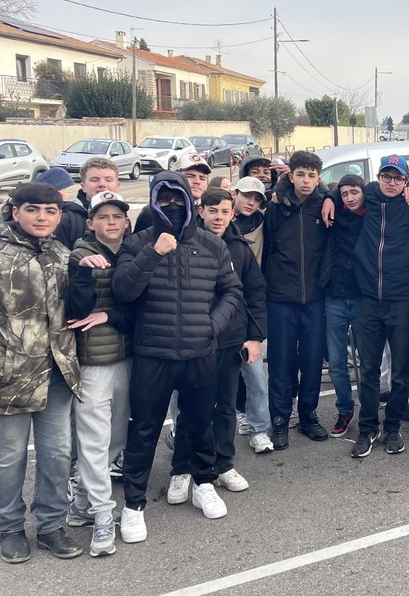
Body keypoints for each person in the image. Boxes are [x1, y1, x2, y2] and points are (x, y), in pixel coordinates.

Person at [0, 182, 84, 563]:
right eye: (34, 209)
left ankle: (52, 525)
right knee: (9, 458)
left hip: (56, 377)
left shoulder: (61, 255)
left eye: (51, 211)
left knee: (57, 454)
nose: (43, 217)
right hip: (7, 380)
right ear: (15, 211)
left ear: (59, 216)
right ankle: (9, 528)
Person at [112, 171, 243, 541]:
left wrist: (212, 326)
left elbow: (232, 292)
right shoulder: (138, 243)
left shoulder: (212, 245)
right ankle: (134, 504)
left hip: (200, 352)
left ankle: (203, 483)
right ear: (153, 203)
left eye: (178, 199)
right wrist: (154, 253)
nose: (171, 206)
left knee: (200, 423)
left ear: (190, 202)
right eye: (163, 199)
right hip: (153, 353)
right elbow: (123, 290)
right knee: (144, 430)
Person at [326, 155, 409, 459]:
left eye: (398, 178)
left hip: (402, 300)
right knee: (369, 368)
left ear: (407, 180)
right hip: (369, 300)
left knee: (401, 371)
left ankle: (393, 427)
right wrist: (331, 197)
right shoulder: (371, 195)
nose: (391, 182)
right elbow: (345, 188)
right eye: (386, 176)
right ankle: (367, 428)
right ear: (379, 178)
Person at [183, 189, 267, 497]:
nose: (219, 217)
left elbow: (256, 294)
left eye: (225, 212)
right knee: (192, 407)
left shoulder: (240, 249)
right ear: (201, 211)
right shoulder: (184, 242)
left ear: (233, 214)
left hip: (230, 340)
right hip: (193, 341)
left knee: (225, 407)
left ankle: (223, 463)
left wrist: (255, 337)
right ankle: (189, 466)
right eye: (213, 210)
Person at [64, 190, 134, 556]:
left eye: (117, 216)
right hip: (92, 364)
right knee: (93, 441)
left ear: (125, 221)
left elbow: (138, 308)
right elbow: (74, 312)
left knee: (116, 439)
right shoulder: (78, 255)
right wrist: (82, 274)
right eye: (103, 217)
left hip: (127, 359)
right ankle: (103, 516)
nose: (111, 222)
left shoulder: (132, 252)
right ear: (90, 223)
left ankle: (81, 499)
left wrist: (111, 316)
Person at [262, 152, 332, 448]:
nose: (306, 180)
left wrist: (329, 196)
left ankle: (308, 415)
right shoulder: (276, 206)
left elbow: (346, 193)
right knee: (281, 361)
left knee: (313, 359)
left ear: (319, 178)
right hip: (280, 297)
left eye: (312, 175)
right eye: (300, 174)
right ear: (290, 176)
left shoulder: (325, 206)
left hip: (315, 297)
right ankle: (279, 419)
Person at [229, 176, 272, 452]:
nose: (251, 203)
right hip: (216, 308)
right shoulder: (218, 222)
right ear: (234, 194)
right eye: (246, 196)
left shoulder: (263, 221)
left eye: (257, 199)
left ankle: (258, 428)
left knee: (255, 372)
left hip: (249, 305)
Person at [321, 174, 366, 437]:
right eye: (344, 193)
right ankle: (345, 409)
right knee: (337, 361)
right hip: (334, 296)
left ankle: (369, 411)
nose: (349, 198)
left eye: (354, 192)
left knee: (367, 360)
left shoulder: (372, 212)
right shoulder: (333, 213)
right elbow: (320, 190)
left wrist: (332, 195)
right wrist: (330, 196)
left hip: (362, 296)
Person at [136, 152, 212, 232]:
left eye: (202, 178)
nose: (197, 181)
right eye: (190, 176)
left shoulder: (210, 211)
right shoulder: (151, 213)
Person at [56, 157, 121, 249]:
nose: (102, 184)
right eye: (94, 180)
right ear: (83, 186)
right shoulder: (67, 220)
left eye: (108, 180)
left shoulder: (123, 217)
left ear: (117, 186)